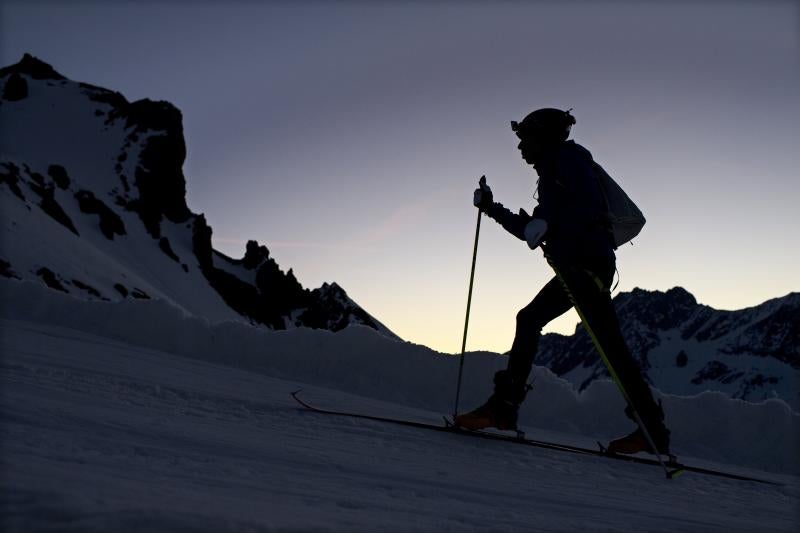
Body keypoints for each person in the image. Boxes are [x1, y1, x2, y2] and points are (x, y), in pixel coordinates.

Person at [454, 108, 671, 456]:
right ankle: (652, 430)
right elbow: (534, 230)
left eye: (526, 138)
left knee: (541, 323)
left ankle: (504, 408)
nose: (521, 146)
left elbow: (584, 209)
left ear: (545, 138)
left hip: (584, 267)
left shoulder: (568, 161)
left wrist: (551, 227)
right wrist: (492, 208)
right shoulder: (555, 170)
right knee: (604, 345)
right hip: (585, 266)